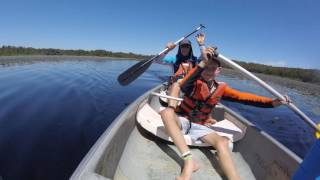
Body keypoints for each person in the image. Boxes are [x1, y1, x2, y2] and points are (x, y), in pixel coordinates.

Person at [160, 46, 291, 180]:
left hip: (201, 126)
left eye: (212, 68)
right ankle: (189, 161)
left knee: (222, 142)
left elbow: (247, 98)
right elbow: (183, 85)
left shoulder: (222, 89)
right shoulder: (194, 82)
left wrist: (273, 102)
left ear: (218, 71)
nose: (208, 71)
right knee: (166, 113)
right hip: (183, 120)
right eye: (206, 67)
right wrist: (202, 63)